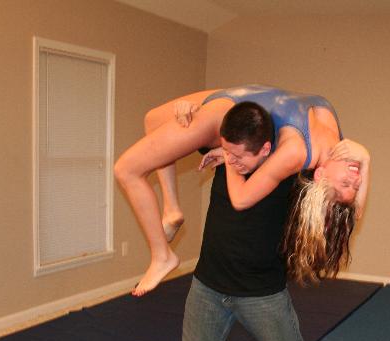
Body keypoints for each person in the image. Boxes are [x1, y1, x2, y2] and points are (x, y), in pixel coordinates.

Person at [180, 101, 361, 341]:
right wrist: (189, 109)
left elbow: (345, 195)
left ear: (265, 148)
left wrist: (363, 159)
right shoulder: (230, 150)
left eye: (240, 155)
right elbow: (177, 137)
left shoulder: (294, 168)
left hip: (261, 292)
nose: (234, 159)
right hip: (209, 284)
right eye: (229, 152)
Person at [113, 84, 370, 296]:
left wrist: (230, 155)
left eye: (346, 184)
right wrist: (366, 160)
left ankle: (162, 256)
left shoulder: (297, 152)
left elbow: (241, 199)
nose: (355, 178)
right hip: (237, 94)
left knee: (126, 170)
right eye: (356, 184)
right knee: (152, 120)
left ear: (321, 176)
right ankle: (171, 209)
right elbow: (354, 212)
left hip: (224, 115)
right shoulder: (341, 143)